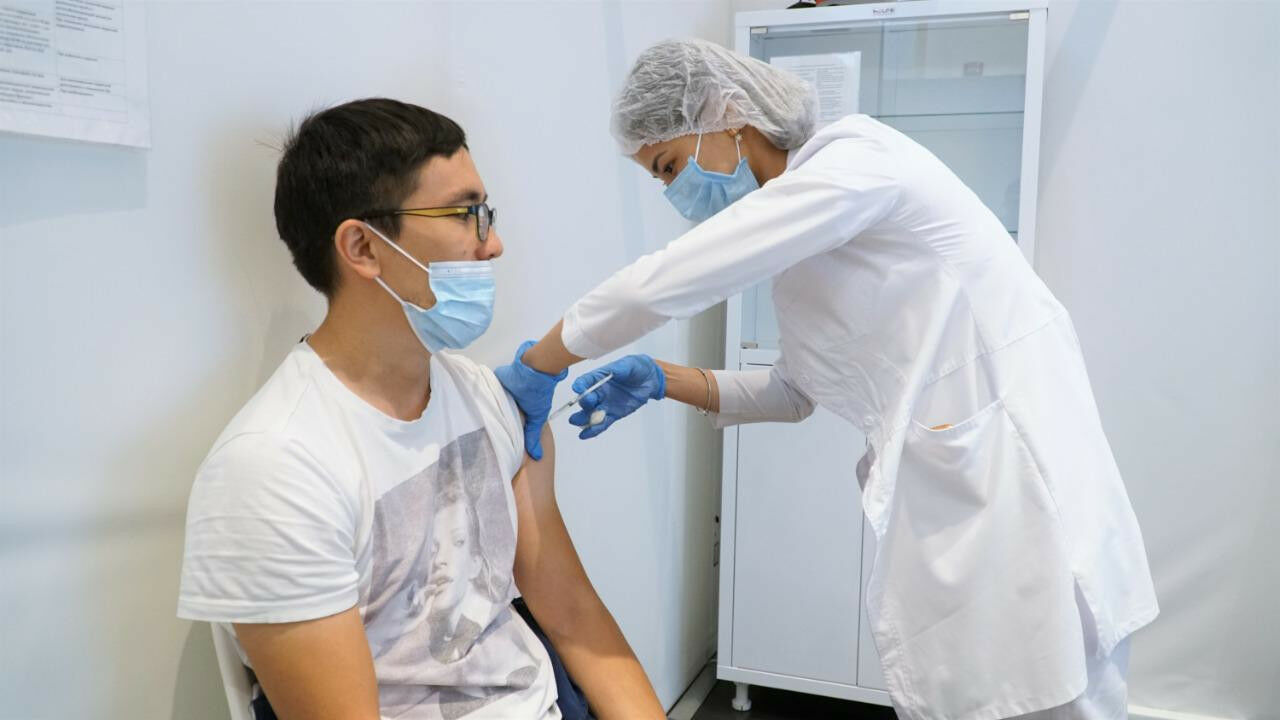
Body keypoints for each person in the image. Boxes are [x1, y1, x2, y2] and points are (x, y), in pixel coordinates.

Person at [495, 39, 1158, 720]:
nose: (673, 191)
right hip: (964, 493)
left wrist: (541, 362)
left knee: (1053, 686)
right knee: (997, 688)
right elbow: (795, 391)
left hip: (1018, 484)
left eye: (668, 165)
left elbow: (664, 282)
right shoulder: (804, 255)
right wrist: (664, 379)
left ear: (726, 113)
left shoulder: (857, 163)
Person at [177, 98, 664, 720]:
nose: (494, 244)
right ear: (362, 246)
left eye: (486, 213)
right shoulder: (273, 471)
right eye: (465, 214)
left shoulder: (486, 398)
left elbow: (571, 612)